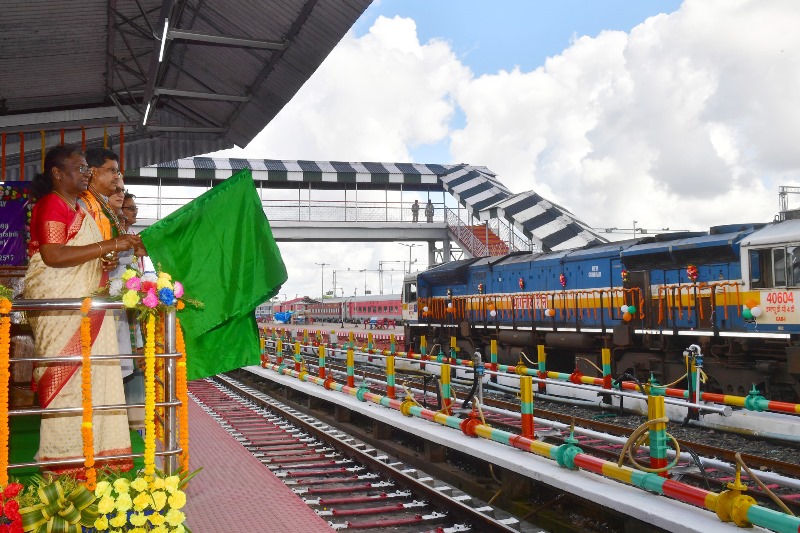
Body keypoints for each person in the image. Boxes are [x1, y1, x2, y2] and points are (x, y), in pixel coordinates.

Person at [24, 144, 142, 475]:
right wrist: (111, 244)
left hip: (86, 305)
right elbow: (53, 256)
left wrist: (103, 258)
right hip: (63, 310)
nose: (86, 173)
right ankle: (65, 465)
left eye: (87, 168)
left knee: (95, 381)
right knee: (68, 388)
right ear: (57, 173)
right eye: (79, 168)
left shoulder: (79, 209)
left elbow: (80, 254)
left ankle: (99, 456)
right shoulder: (52, 204)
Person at [80, 147, 125, 241]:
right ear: (94, 172)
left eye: (117, 172)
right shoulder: (82, 204)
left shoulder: (104, 203)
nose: (117, 177)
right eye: (112, 170)